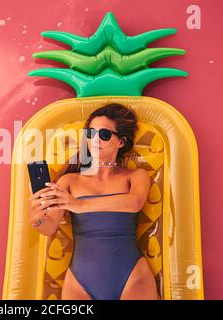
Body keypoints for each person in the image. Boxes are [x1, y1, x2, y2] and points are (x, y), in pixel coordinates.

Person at [28, 103, 158, 300]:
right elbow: (48, 227)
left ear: (121, 142)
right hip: (79, 282)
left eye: (104, 135)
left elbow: (135, 202)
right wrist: (36, 218)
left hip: (132, 277)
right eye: (90, 133)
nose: (95, 140)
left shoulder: (135, 176)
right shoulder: (69, 181)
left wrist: (78, 205)